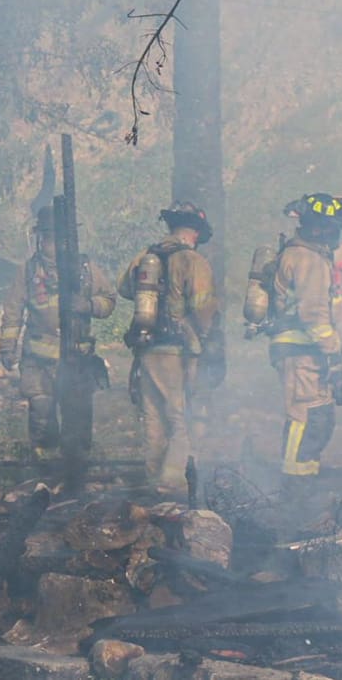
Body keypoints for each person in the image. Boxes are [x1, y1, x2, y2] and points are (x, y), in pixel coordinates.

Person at [270, 193, 342, 489]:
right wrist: (334, 354)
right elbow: (314, 316)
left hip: (309, 352)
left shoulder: (313, 253)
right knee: (306, 417)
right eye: (332, 228)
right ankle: (294, 487)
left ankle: (305, 479)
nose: (336, 234)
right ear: (319, 228)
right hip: (302, 352)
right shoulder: (308, 259)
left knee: (319, 418)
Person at [119, 202, 219, 493]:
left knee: (153, 415)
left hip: (147, 347)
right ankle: (172, 484)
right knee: (182, 418)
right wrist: (209, 338)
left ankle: (154, 479)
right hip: (179, 350)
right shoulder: (192, 260)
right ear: (196, 232)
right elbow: (203, 308)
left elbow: (125, 288)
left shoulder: (146, 256)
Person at [0, 205, 116, 452]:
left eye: (56, 239)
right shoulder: (29, 271)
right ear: (39, 238)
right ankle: (44, 468)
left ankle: (75, 470)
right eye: (47, 239)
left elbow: (109, 300)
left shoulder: (84, 269)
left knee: (77, 419)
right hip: (38, 361)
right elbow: (12, 313)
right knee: (41, 413)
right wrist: (7, 349)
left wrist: (88, 305)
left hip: (77, 359)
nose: (50, 245)